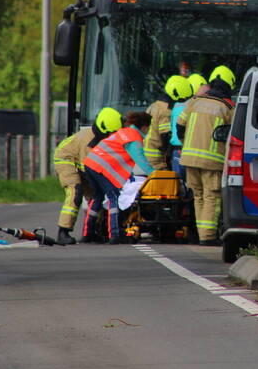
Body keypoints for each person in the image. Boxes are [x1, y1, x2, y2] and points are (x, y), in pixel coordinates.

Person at [176, 65, 235, 245]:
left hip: (188, 158)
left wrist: (186, 144)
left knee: (198, 195)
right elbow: (233, 135)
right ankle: (207, 237)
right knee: (211, 196)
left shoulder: (194, 101)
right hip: (212, 161)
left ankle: (202, 234)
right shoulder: (227, 107)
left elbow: (179, 125)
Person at [52, 107, 122, 245]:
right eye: (110, 134)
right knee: (75, 191)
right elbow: (90, 168)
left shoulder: (101, 136)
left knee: (95, 198)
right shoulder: (88, 143)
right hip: (66, 159)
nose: (112, 137)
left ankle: (92, 232)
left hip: (83, 163)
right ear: (103, 129)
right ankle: (63, 231)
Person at [82, 111, 153, 244]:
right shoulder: (133, 138)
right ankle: (115, 234)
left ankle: (87, 233)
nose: (148, 131)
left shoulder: (123, 132)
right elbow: (141, 160)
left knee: (97, 197)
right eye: (148, 128)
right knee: (113, 197)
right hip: (99, 166)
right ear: (144, 127)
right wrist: (154, 174)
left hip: (90, 162)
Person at [144, 76, 192, 171]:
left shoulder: (156, 105)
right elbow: (165, 136)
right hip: (157, 159)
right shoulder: (165, 110)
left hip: (148, 153)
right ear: (176, 94)